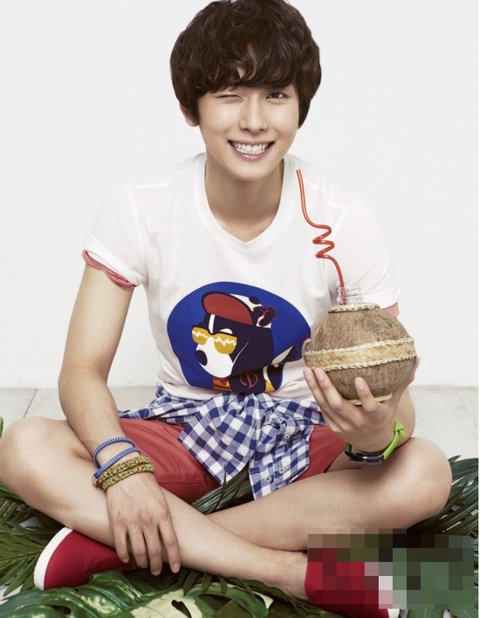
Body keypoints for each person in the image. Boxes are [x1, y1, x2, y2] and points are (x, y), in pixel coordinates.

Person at [0, 0, 451, 615]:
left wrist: (377, 435)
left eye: (276, 95)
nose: (254, 121)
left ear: (301, 105)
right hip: (186, 429)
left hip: (306, 433)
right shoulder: (140, 207)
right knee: (24, 445)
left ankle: (127, 546)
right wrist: (123, 471)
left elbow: (396, 395)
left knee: (425, 472)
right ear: (191, 108)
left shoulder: (344, 219)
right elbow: (81, 370)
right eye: (230, 95)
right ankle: (285, 569)